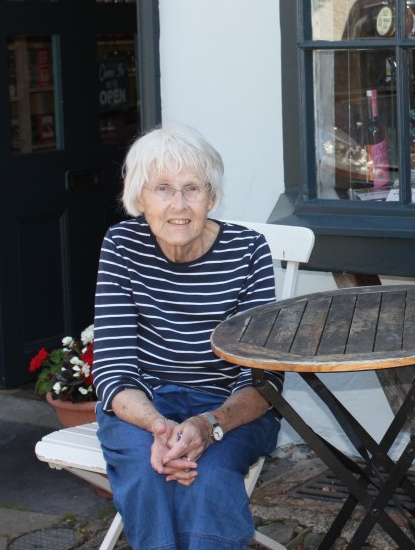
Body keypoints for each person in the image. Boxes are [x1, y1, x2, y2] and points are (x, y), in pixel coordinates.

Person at [93, 125, 283, 550]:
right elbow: (112, 368)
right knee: (146, 471)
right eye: (162, 189)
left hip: (226, 406)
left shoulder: (247, 250)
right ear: (140, 198)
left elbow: (263, 377)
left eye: (192, 189)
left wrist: (206, 425)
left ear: (211, 198)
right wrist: (159, 428)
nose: (178, 206)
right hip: (145, 403)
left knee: (211, 476)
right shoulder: (122, 246)